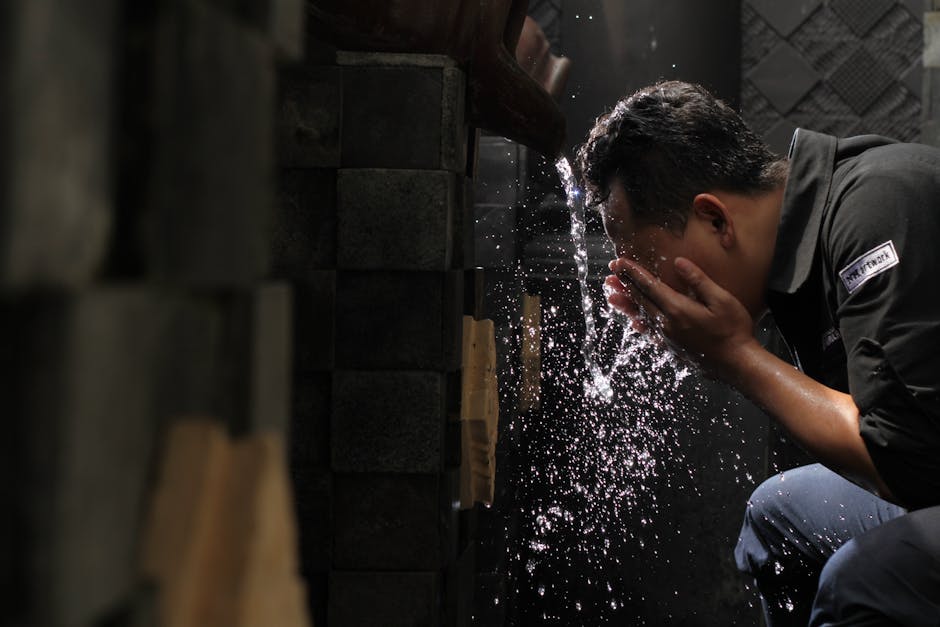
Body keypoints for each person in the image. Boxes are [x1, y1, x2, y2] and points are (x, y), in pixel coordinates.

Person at [576, 80, 940, 625]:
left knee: (862, 580)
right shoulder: (798, 257)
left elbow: (909, 460)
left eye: (650, 268)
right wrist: (724, 350)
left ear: (716, 219)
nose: (652, 293)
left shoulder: (875, 208)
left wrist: (737, 355)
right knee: (780, 512)